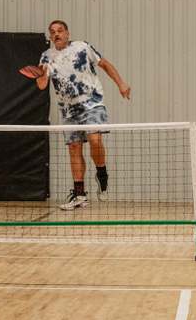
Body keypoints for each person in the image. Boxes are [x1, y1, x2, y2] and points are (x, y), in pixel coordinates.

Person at [35, 20, 130, 210]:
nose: (56, 34)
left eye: (60, 31)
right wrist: (42, 75)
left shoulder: (82, 47)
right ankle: (79, 195)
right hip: (68, 110)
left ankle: (101, 172)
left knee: (95, 140)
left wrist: (121, 84)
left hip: (92, 103)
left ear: (68, 33)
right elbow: (41, 85)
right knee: (74, 149)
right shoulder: (46, 57)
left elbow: (105, 65)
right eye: (52, 32)